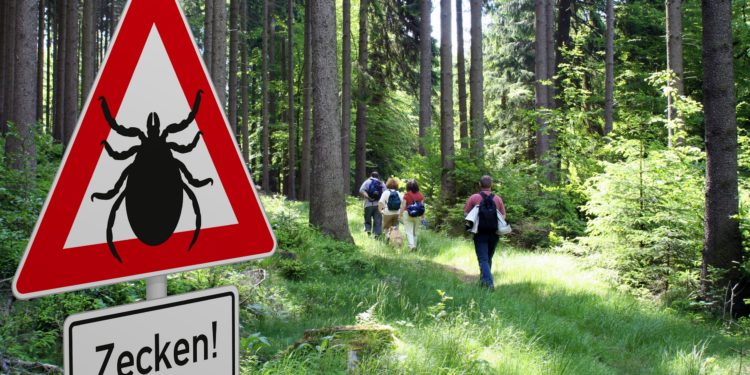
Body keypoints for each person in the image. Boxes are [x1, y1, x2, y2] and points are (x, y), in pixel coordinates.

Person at [464, 175, 507, 289]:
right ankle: (484, 282)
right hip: (494, 233)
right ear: (491, 185)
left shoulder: (474, 198)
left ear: (480, 184)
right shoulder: (497, 199)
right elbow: (503, 216)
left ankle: (488, 284)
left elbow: (466, 214)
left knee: (483, 259)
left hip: (480, 232)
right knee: (488, 259)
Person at [359, 171, 385, 237]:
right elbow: (385, 193)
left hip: (368, 204)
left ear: (371, 176)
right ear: (378, 176)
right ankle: (376, 234)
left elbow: (361, 190)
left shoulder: (367, 182)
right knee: (378, 220)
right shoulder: (381, 183)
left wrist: (368, 197)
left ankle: (368, 230)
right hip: (378, 205)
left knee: (367, 218)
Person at [401, 179, 425, 251]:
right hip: (417, 215)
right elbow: (422, 206)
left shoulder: (407, 194)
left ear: (408, 186)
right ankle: (414, 245)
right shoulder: (420, 195)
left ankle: (412, 246)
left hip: (407, 214)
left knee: (409, 231)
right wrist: (423, 216)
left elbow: (403, 205)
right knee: (415, 232)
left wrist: (400, 214)